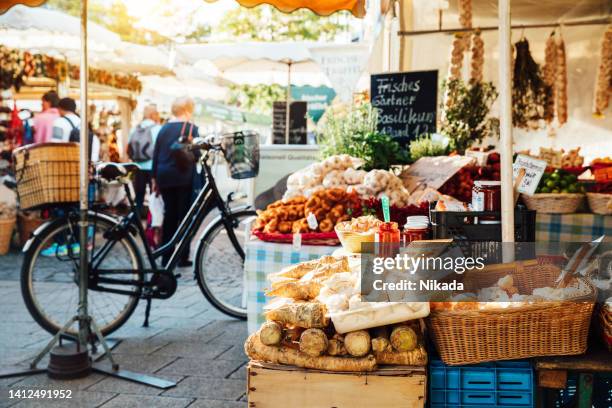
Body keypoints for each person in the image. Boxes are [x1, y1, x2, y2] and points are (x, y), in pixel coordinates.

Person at [152, 97, 199, 267]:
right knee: (185, 217)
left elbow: (156, 155)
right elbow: (197, 155)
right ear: (189, 109)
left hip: (164, 177)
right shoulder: (192, 129)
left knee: (169, 216)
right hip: (184, 178)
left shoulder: (163, 129)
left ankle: (166, 257)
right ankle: (182, 256)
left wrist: (154, 179)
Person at [127, 104, 161, 214]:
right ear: (153, 115)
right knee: (153, 197)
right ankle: (151, 223)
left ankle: (136, 222)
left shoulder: (135, 129)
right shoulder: (157, 129)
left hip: (138, 166)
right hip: (153, 167)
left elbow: (129, 148)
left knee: (139, 197)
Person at [51, 97, 100, 161]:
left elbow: (54, 143)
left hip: (65, 163)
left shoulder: (58, 122)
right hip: (83, 163)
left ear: (60, 108)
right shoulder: (82, 122)